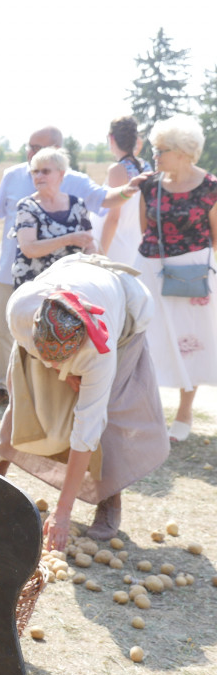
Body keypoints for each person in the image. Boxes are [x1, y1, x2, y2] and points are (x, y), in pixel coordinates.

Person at [0, 254, 169, 551]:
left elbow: (87, 432)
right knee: (24, 393)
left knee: (109, 412)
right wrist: (57, 368)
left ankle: (109, 498)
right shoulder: (22, 307)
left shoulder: (100, 352)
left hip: (125, 310)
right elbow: (31, 348)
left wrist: (62, 515)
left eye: (66, 359)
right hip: (72, 283)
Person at [0, 126, 143, 408]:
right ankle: (2, 389)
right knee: (7, 333)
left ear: (58, 154)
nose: (31, 154)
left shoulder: (76, 183)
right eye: (29, 148)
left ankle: (45, 400)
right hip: (15, 270)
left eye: (36, 147)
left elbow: (106, 200)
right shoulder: (14, 176)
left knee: (53, 336)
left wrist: (129, 190)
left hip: (62, 280)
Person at [134, 114, 217, 443]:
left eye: (161, 150)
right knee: (146, 341)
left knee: (189, 342)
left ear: (183, 152)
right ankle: (146, 413)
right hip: (150, 270)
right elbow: (145, 229)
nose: (155, 156)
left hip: (191, 276)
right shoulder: (148, 184)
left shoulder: (210, 187)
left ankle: (184, 413)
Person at [11, 147, 95, 286]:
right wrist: (69, 239)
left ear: (61, 174)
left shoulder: (77, 205)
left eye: (45, 171)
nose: (38, 176)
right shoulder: (27, 206)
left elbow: (90, 246)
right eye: (35, 171)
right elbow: (29, 249)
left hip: (71, 285)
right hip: (35, 287)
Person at [90, 116, 152, 265]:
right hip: (134, 242)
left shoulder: (118, 170)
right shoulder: (145, 166)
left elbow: (114, 217)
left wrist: (100, 255)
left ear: (111, 139)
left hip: (115, 246)